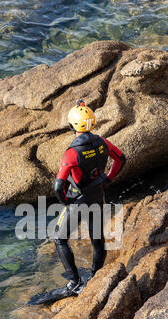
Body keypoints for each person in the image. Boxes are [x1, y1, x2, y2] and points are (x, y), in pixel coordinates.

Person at [53, 99, 126, 296]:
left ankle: (74, 282)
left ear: (72, 126)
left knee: (59, 239)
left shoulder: (72, 153)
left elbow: (58, 185)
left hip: (78, 199)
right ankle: (95, 274)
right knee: (97, 237)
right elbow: (120, 158)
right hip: (98, 194)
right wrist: (108, 179)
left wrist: (66, 203)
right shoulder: (103, 142)